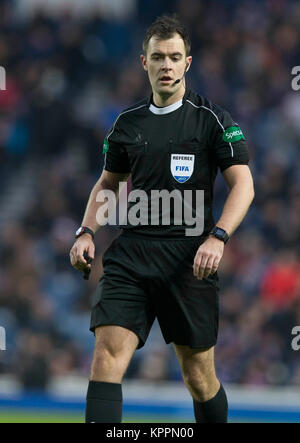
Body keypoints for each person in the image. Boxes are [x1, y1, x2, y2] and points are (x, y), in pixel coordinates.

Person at [69, 14, 254, 423]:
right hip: (132, 254)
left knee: (198, 376)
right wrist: (86, 232)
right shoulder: (126, 123)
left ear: (188, 62)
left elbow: (244, 186)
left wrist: (218, 237)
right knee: (105, 359)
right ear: (144, 63)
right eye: (158, 57)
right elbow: (108, 184)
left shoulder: (211, 119)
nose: (167, 65)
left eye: (175, 57)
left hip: (189, 259)